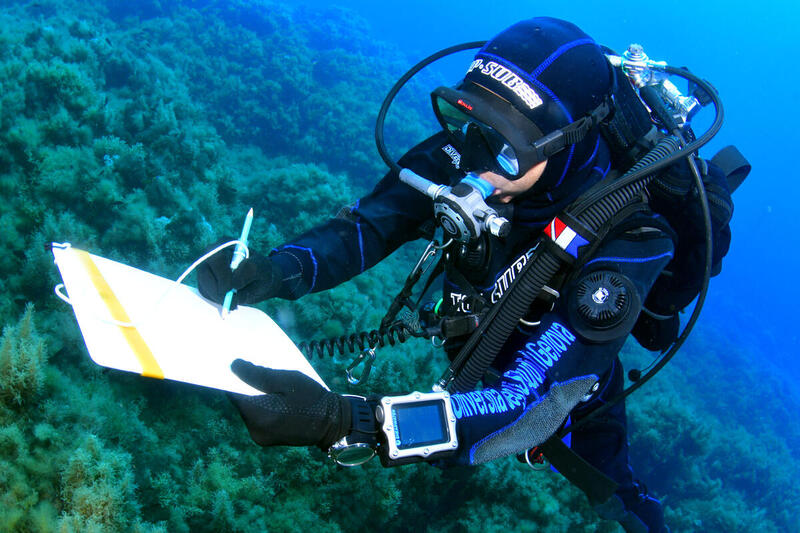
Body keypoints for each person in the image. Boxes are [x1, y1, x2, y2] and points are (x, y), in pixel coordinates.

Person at [196, 17, 719, 533]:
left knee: (611, 487)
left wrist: (350, 420)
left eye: (506, 147)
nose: (473, 160)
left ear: (567, 142)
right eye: (465, 121)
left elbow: (527, 404)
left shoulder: (633, 237)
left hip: (559, 386)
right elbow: (371, 227)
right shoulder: (470, 152)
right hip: (469, 348)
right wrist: (280, 268)